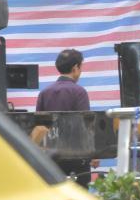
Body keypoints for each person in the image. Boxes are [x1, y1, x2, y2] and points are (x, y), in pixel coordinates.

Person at [35, 48, 96, 187]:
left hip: (51, 157)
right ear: (75, 67)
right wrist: (92, 154)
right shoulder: (79, 92)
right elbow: (85, 125)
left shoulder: (45, 92)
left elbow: (39, 125)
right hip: (77, 157)